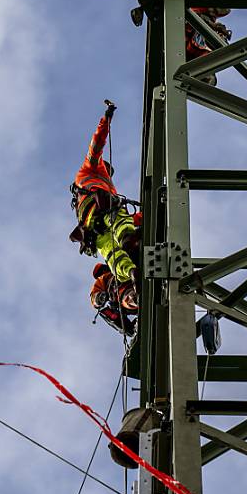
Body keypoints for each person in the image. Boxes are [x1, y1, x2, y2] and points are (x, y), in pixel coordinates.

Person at [70, 100, 140, 308]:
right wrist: (106, 119)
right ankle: (129, 246)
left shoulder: (82, 197)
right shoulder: (90, 170)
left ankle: (130, 272)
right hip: (105, 208)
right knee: (123, 230)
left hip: (92, 228)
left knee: (112, 254)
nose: (108, 174)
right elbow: (97, 144)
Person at [90, 264, 137, 337]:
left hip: (128, 287)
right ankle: (132, 330)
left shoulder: (114, 269)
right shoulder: (104, 280)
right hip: (123, 297)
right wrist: (100, 297)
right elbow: (94, 298)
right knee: (107, 313)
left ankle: (132, 330)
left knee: (129, 298)